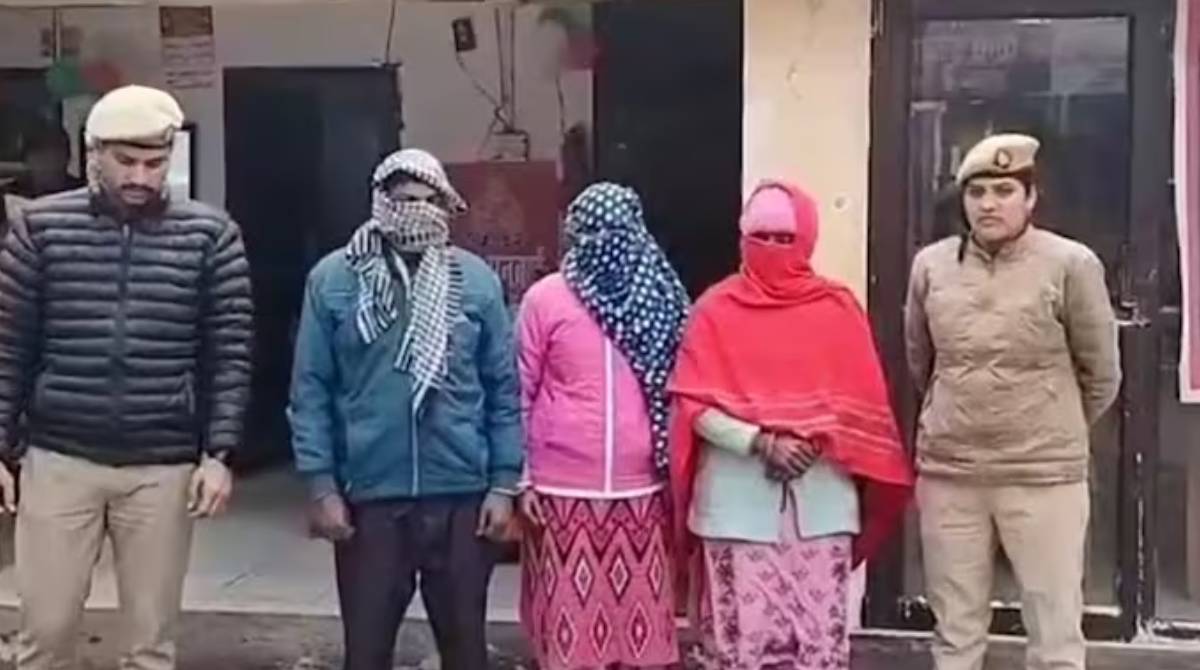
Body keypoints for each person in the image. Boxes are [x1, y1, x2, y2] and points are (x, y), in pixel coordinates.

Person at [0, 85, 253, 670]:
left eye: (155, 162)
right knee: (45, 633)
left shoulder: (210, 235)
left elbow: (230, 353)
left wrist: (219, 454)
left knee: (150, 642)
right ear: (93, 154)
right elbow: (10, 346)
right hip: (60, 458)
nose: (141, 176)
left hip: (161, 466)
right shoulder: (41, 228)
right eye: (126, 161)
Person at [288, 148, 523, 670]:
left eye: (426, 200)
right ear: (379, 202)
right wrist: (322, 486)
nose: (415, 210)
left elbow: (503, 390)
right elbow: (311, 390)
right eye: (402, 199)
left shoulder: (476, 281)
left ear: (445, 204)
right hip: (370, 498)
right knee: (367, 652)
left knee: (465, 651)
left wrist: (504, 485)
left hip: (461, 497)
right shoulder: (334, 279)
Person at [670, 181, 913, 670]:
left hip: (821, 507)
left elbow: (859, 404)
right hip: (736, 509)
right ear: (742, 238)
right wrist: (759, 441)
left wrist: (814, 436)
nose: (773, 248)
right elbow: (694, 405)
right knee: (740, 649)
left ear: (807, 238)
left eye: (785, 238)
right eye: (760, 237)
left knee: (819, 647)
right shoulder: (715, 310)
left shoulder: (836, 309)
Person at [905, 133, 1121, 670]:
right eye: (976, 192)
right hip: (952, 472)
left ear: (1031, 197)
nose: (989, 204)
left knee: (1054, 632)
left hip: (1042, 476)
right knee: (955, 634)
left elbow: (1101, 374)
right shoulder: (931, 267)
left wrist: (1049, 422)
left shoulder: (1070, 264)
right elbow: (922, 361)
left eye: (1004, 191)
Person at [516, 183, 689, 670]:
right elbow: (519, 391)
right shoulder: (545, 299)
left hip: (642, 491)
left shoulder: (662, 298)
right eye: (590, 233)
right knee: (569, 633)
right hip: (560, 491)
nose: (603, 244)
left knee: (638, 635)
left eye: (614, 232)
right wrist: (522, 478)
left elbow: (681, 391)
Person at [14, 123, 85, 199]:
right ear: (26, 158)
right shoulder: (10, 194)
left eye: (56, 149)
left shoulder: (85, 193)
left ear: (68, 156)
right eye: (39, 150)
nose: (49, 158)